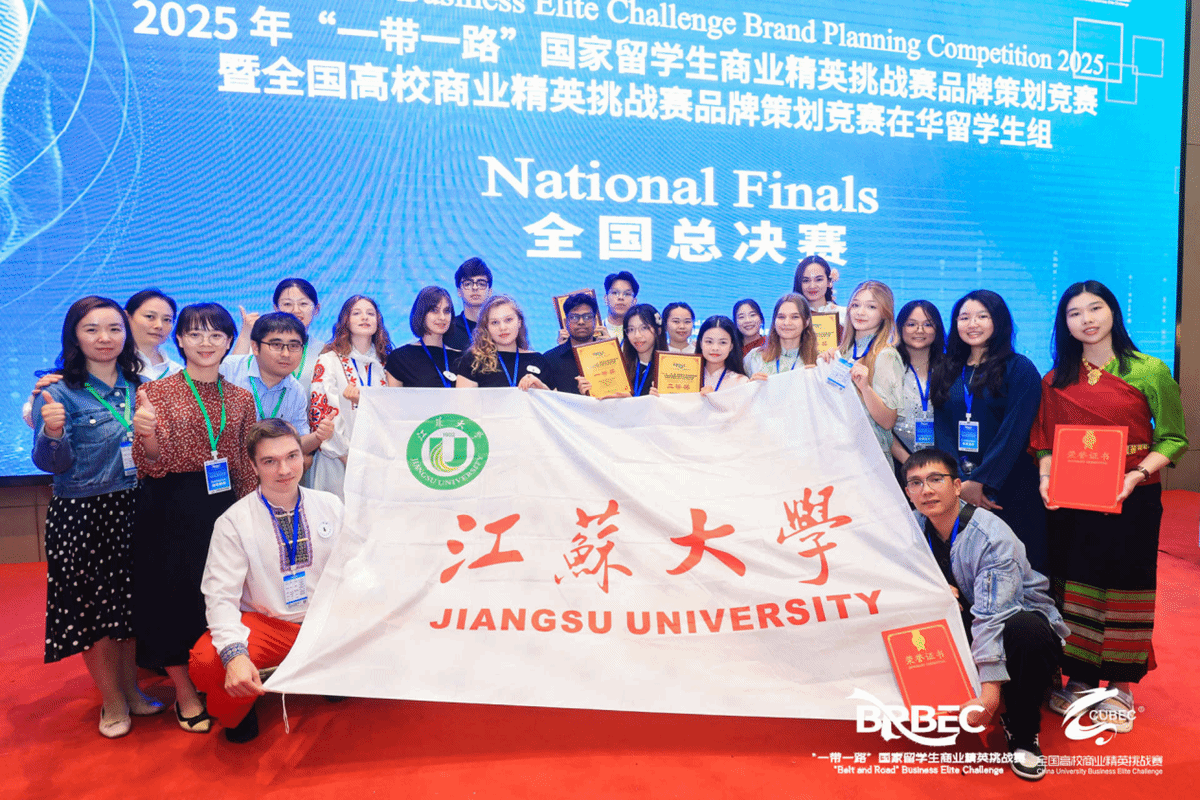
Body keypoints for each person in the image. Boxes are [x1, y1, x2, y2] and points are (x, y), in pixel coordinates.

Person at [1030, 281, 1187, 731]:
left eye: (1095, 308)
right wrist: (1045, 478)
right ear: (1065, 324)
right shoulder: (1055, 379)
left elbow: (1173, 438)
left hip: (1133, 497)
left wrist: (1136, 475)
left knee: (1125, 585)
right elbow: (1044, 441)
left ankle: (1120, 685)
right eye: (1074, 313)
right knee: (1074, 582)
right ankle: (1079, 678)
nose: (1087, 319)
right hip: (1073, 498)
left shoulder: (1149, 370)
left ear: (1113, 312)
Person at [31, 296, 163, 738]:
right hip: (83, 513)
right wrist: (52, 432)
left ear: (126, 334)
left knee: (129, 610)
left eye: (113, 328)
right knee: (94, 616)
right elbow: (50, 463)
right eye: (92, 329)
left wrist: (151, 437)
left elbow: (153, 455)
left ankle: (133, 691)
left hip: (135, 508)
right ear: (75, 335)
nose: (104, 338)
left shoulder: (140, 387)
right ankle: (112, 700)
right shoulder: (58, 391)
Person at [132, 302, 258, 735]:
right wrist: (147, 433)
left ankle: (216, 676)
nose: (206, 343)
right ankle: (185, 693)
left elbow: (245, 464)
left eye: (216, 335)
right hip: (170, 505)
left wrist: (252, 515)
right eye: (195, 334)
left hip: (224, 505)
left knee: (222, 595)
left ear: (229, 342)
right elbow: (151, 461)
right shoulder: (156, 393)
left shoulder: (240, 397)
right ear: (180, 340)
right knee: (174, 599)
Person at [904, 449, 1066, 782]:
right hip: (966, 616)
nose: (926, 490)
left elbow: (994, 614)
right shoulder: (912, 528)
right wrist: (936, 590)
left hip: (1011, 619)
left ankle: (1022, 731)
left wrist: (989, 696)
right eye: (916, 483)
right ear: (908, 492)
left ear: (957, 486)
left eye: (936, 479)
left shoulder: (990, 536)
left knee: (1025, 630)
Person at [189, 419, 344, 743]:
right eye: (270, 461)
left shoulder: (330, 505)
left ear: (302, 455)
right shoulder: (234, 521)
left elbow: (353, 568)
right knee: (207, 662)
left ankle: (331, 671)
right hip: (270, 625)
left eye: (291, 456)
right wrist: (235, 656)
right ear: (253, 466)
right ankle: (238, 707)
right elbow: (220, 597)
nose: (284, 470)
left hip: (326, 619)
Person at [930, 290, 1046, 574]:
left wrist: (982, 480)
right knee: (966, 563)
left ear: (999, 321)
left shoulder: (1019, 368)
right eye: (964, 317)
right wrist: (959, 480)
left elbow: (1015, 430)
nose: (972, 324)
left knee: (1013, 561)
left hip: (1009, 484)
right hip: (959, 485)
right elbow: (942, 428)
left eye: (982, 316)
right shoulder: (947, 368)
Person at [309, 295, 393, 500]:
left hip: (378, 461)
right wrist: (348, 457)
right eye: (357, 313)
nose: (365, 317)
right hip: (337, 460)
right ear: (345, 320)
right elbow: (321, 413)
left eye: (370, 313)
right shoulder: (328, 360)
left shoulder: (386, 363)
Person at [219, 312, 333, 458]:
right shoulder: (227, 369)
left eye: (294, 346)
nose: (286, 354)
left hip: (265, 467)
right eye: (276, 345)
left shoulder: (296, 391)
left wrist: (318, 436)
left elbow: (297, 443)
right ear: (255, 347)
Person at [837, 281, 903, 465]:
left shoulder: (886, 355)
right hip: (840, 454)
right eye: (855, 305)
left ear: (884, 313)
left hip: (870, 460)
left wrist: (865, 388)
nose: (860, 312)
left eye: (871, 307)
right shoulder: (842, 353)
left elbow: (888, 421)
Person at [232, 279, 325, 390]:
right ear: (276, 308)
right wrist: (246, 333)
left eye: (303, 304)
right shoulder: (260, 345)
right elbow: (232, 376)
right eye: (287, 304)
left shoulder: (323, 350)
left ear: (316, 309)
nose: (296, 310)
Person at [455, 295, 555, 390]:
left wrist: (541, 387)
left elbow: (554, 401)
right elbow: (463, 402)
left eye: (508, 320)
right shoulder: (474, 361)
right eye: (495, 322)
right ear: (486, 327)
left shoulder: (538, 360)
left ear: (519, 322)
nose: (502, 327)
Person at [892, 300, 947, 466]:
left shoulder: (951, 368)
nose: (919, 330)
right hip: (898, 462)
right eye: (911, 324)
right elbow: (879, 424)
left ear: (937, 329)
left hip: (943, 461)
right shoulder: (889, 366)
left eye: (928, 324)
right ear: (900, 328)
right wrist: (909, 463)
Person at [386, 286, 463, 388]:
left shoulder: (461, 359)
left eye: (447, 311)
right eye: (434, 310)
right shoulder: (400, 358)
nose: (442, 317)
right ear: (421, 314)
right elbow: (392, 397)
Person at [745, 293, 817, 379]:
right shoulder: (754, 357)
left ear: (807, 322)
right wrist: (750, 384)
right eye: (781, 317)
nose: (787, 323)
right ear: (774, 321)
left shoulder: (817, 361)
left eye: (795, 317)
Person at [542, 292, 599, 395]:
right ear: (565, 323)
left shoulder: (610, 353)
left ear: (595, 321)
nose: (581, 322)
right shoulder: (548, 360)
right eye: (574, 317)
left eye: (587, 317)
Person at [125, 288, 183, 381]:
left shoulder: (178, 373)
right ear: (127, 317)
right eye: (150, 316)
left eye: (167, 320)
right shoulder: (112, 364)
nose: (159, 325)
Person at [444, 258, 493, 351]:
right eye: (468, 284)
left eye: (481, 283)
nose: (475, 287)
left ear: (490, 291)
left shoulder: (499, 327)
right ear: (459, 291)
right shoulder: (448, 328)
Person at [695, 315, 749, 393]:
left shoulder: (741, 382)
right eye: (709, 341)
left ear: (731, 346)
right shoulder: (688, 377)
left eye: (723, 342)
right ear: (700, 343)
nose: (715, 348)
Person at [793, 255, 845, 325]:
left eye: (819, 279)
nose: (812, 286)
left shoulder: (843, 315)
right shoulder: (792, 316)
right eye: (806, 280)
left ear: (829, 282)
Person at [601, 271, 639, 343]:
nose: (621, 298)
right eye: (615, 293)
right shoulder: (596, 331)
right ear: (606, 299)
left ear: (634, 302)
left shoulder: (640, 334)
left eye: (627, 294)